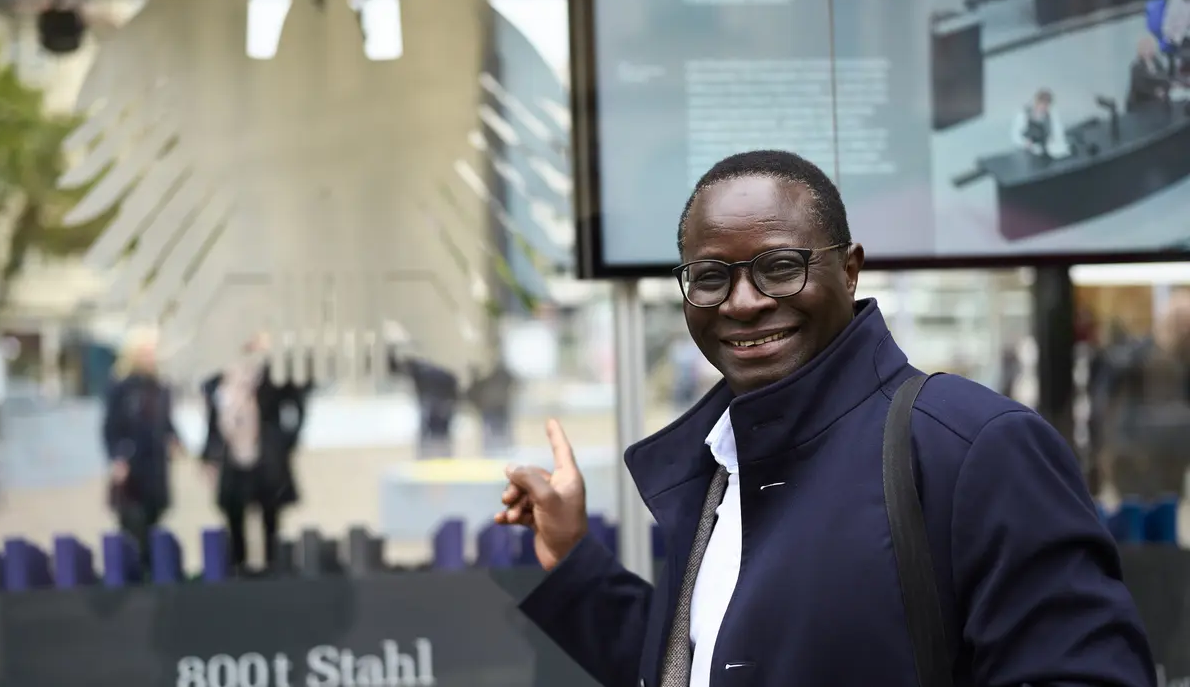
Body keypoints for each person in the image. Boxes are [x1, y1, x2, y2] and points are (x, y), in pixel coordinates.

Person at [496, 150, 1155, 687]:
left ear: (849, 268)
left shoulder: (972, 446)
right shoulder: (721, 466)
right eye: (710, 276)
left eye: (779, 268)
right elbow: (702, 665)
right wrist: (574, 558)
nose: (744, 302)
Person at [202, 332, 310, 575]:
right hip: (233, 456)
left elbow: (298, 405)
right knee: (234, 516)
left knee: (270, 517)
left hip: (266, 456)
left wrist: (286, 441)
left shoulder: (275, 374)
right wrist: (208, 456)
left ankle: (272, 568)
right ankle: (239, 568)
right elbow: (212, 420)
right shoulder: (220, 376)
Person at [102, 327, 182, 573]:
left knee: (154, 520)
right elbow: (110, 428)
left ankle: (149, 572)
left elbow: (166, 424)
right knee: (132, 523)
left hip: (156, 467)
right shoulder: (121, 387)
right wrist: (117, 458)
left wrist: (176, 441)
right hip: (132, 466)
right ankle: (132, 573)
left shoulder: (160, 387)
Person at [1011, 88, 1070, 158]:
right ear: (1036, 101)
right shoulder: (1024, 114)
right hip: (1027, 151)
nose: (1043, 107)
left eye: (1046, 105)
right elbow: (1015, 135)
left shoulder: (1051, 115)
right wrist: (1024, 143)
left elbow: (1058, 132)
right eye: (1041, 104)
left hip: (1046, 150)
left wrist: (1055, 141)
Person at [1128, 34, 1172, 111]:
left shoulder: (1157, 63)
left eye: (1149, 47)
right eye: (1145, 48)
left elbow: (1165, 78)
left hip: (1158, 100)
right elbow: (1141, 86)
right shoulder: (1135, 67)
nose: (1147, 50)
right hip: (1141, 103)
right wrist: (1156, 92)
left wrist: (1164, 90)